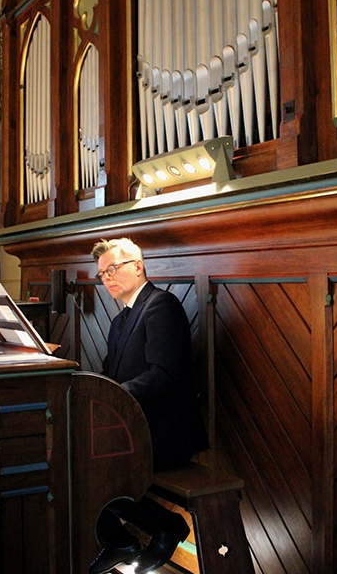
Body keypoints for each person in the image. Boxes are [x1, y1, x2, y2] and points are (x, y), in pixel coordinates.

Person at [88, 238, 209, 574]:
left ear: (137, 266)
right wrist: (86, 395)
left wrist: (115, 400)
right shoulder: (120, 321)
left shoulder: (161, 306)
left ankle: (161, 528)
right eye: (101, 275)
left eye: (113, 269)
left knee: (87, 463)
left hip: (165, 429)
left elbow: (165, 373)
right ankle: (118, 540)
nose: (107, 278)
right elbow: (108, 374)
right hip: (134, 424)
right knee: (75, 455)